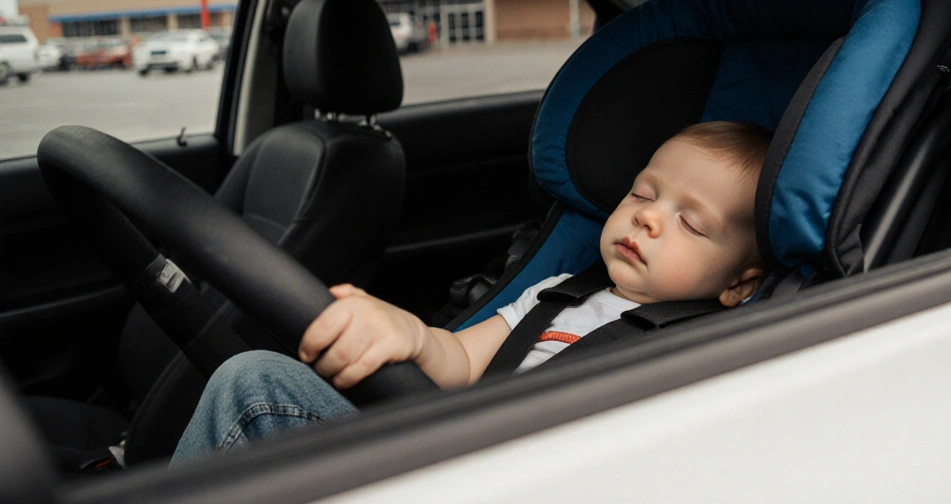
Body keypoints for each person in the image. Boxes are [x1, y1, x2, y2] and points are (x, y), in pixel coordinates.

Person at [172, 121, 772, 463]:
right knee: (252, 378)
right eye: (643, 193)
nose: (649, 217)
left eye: (692, 224)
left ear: (739, 284)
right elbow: (459, 360)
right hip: (457, 445)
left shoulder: (716, 348)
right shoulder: (560, 292)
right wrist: (413, 337)